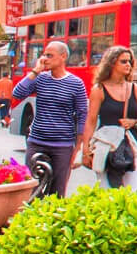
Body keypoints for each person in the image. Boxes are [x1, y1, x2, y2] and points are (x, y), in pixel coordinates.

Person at [12, 41, 88, 198]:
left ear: (63, 57)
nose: (45, 58)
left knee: (58, 191)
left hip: (62, 145)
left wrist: (78, 148)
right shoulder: (40, 79)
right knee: (32, 188)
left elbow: (82, 115)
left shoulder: (76, 83)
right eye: (44, 55)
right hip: (37, 141)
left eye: (50, 55)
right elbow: (17, 94)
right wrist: (35, 71)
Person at [81, 46, 137, 189]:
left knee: (130, 192)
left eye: (130, 62)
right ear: (111, 64)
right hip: (106, 147)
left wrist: (133, 122)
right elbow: (91, 121)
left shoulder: (136, 89)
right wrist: (85, 150)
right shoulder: (99, 89)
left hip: (131, 147)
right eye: (123, 62)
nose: (128, 65)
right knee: (106, 192)